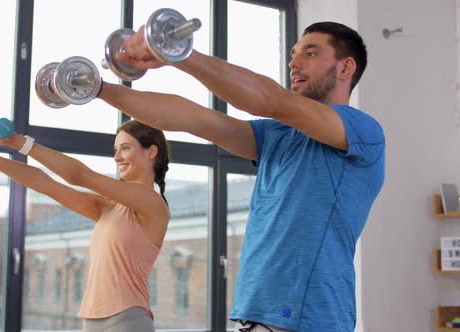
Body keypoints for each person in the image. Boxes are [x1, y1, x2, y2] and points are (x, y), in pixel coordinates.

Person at [91, 21, 385, 332]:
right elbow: (192, 117)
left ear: (345, 68)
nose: (294, 63)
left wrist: (178, 54)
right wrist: (99, 89)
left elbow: (270, 100)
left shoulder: (362, 131)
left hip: (309, 318)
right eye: (293, 54)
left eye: (310, 53)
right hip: (253, 317)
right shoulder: (277, 134)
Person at [0, 119, 170, 332]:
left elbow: (79, 176)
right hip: (93, 320)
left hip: (127, 320)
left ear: (151, 152)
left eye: (125, 148)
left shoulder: (153, 204)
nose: (116, 157)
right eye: (116, 149)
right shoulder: (109, 207)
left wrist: (19, 143)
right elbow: (44, 183)